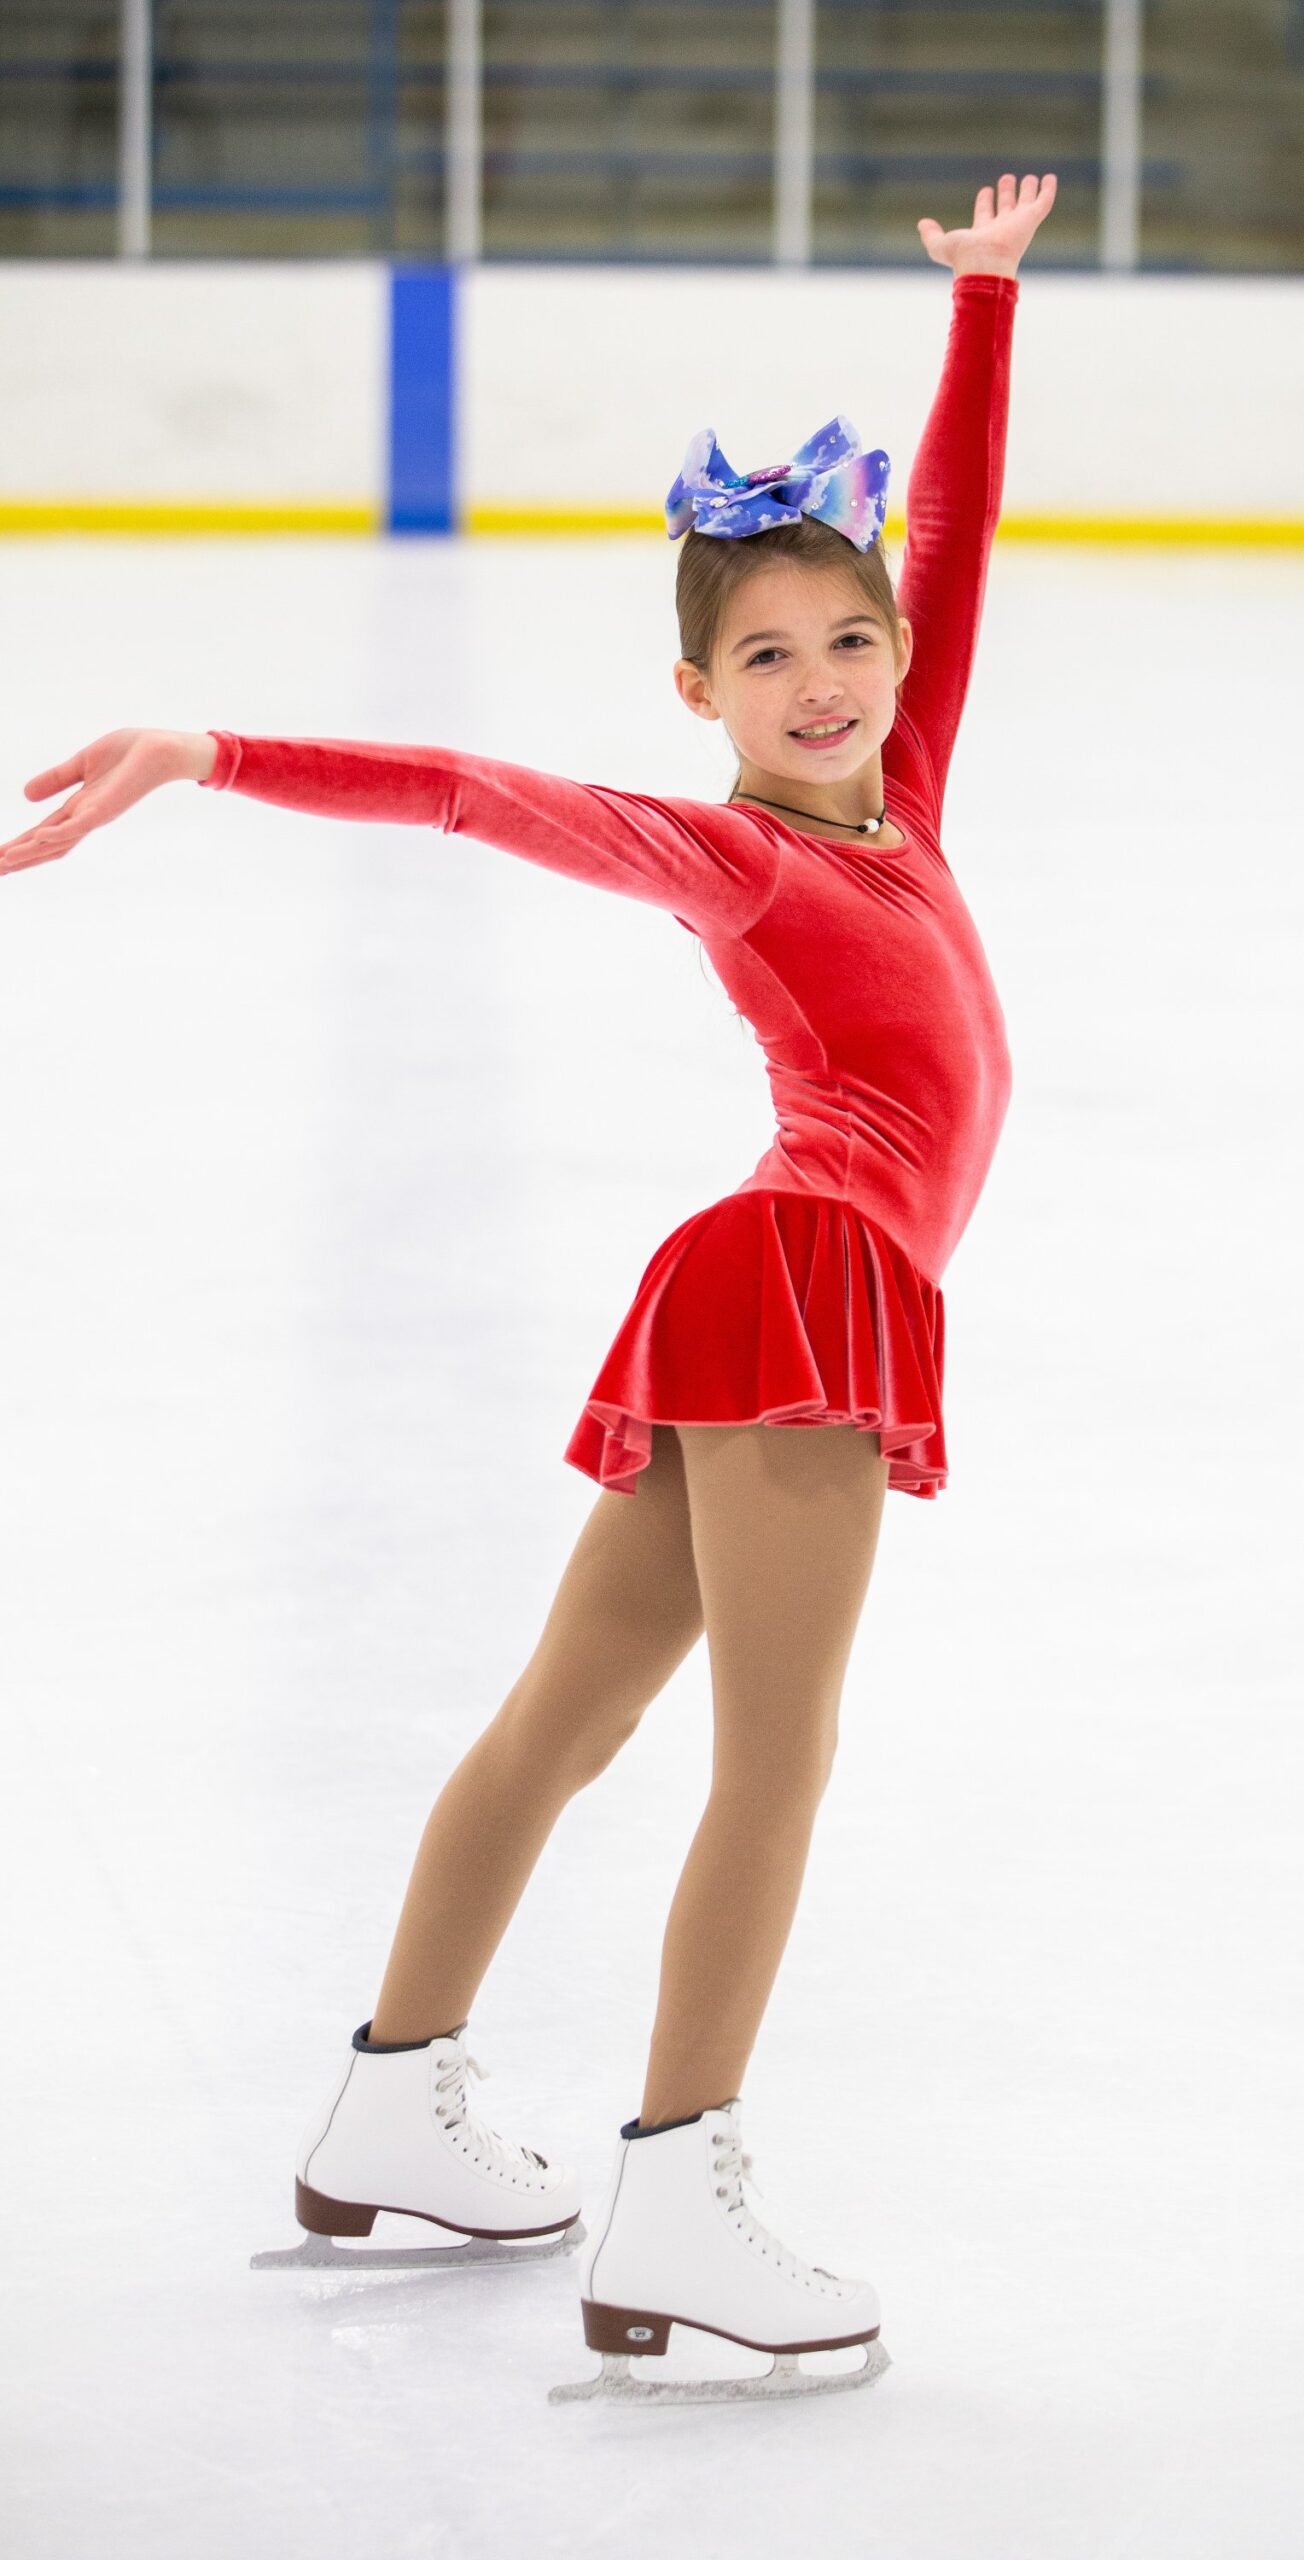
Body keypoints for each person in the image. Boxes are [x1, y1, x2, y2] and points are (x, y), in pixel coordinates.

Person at [0, 169, 1057, 2405]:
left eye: (844, 640)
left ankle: (397, 2093)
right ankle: (676, 2187)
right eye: (760, 656)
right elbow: (486, 794)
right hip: (807, 1285)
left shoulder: (907, 781)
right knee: (770, 1761)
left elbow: (950, 533)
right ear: (700, 687)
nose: (819, 681)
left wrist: (980, 309)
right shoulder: (738, 846)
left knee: (566, 1717)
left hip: (752, 1288)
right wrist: (218, 753)